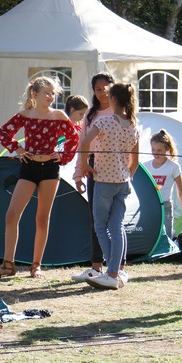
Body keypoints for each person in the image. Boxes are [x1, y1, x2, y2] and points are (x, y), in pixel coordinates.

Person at [0, 77, 80, 280]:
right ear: (34, 94)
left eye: (53, 93)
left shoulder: (59, 115)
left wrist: (62, 156)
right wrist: (18, 149)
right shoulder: (25, 115)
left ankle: (36, 266)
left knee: (42, 217)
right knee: (12, 214)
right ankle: (8, 265)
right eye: (47, 93)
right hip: (29, 168)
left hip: (50, 170)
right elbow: (2, 133)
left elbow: (74, 137)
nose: (51, 96)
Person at [74, 83, 140, 290]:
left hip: (104, 181)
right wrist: (128, 174)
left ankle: (111, 273)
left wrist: (85, 165)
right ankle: (115, 271)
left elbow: (84, 142)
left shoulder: (104, 121)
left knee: (100, 226)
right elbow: (135, 160)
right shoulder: (133, 124)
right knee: (117, 227)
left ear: (113, 99)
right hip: (123, 182)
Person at [70, 72, 116, 283]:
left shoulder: (120, 111)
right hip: (93, 168)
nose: (102, 92)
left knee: (115, 220)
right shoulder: (90, 114)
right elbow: (83, 145)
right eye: (98, 89)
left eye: (106, 88)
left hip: (115, 169)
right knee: (96, 219)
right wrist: (79, 174)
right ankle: (96, 266)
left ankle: (118, 267)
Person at [143, 129, 182, 241]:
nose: (155, 153)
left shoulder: (174, 167)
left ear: (167, 149)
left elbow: (181, 193)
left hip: (165, 206)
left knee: (166, 238)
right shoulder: (145, 166)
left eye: (159, 150)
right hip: (149, 205)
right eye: (153, 150)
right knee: (149, 237)